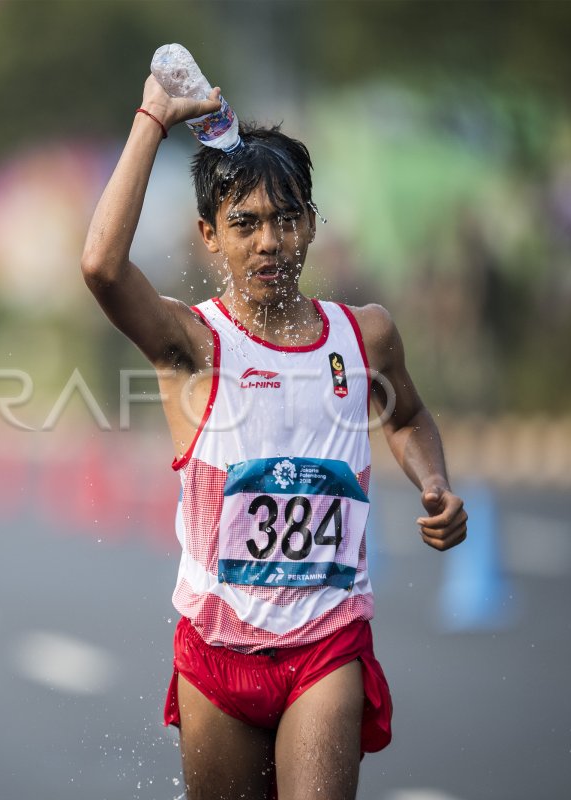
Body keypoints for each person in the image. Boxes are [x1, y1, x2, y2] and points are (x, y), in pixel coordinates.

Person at [81, 76, 468, 799]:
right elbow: (102, 267)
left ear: (313, 224)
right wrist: (152, 118)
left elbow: (408, 417)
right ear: (209, 234)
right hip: (218, 653)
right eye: (246, 222)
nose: (270, 242)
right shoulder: (193, 343)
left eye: (287, 219)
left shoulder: (367, 335)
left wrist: (434, 481)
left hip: (327, 643)